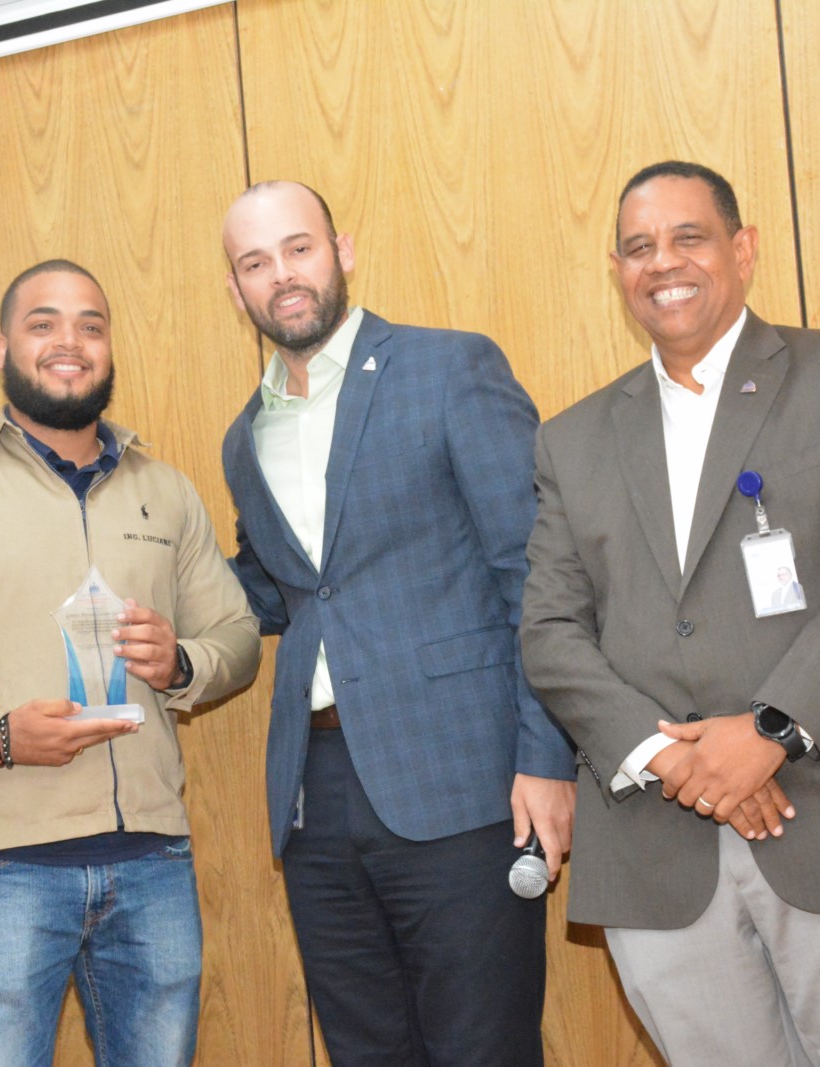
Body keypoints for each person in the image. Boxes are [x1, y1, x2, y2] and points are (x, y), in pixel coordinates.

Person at [520, 161, 820, 1066]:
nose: (663, 262)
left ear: (743, 249)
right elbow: (549, 631)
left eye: (688, 237)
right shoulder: (571, 439)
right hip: (658, 842)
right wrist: (672, 758)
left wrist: (770, 729)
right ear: (617, 270)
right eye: (637, 247)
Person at [0, 259, 260, 1066]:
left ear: (108, 350)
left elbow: (236, 636)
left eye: (90, 325)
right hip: (0, 866)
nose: (69, 341)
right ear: (1, 348)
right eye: (43, 323)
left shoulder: (165, 489)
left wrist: (182, 663)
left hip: (152, 858)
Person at [218, 181, 576, 1066]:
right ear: (236, 292)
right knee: (366, 1050)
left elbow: (532, 570)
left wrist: (545, 757)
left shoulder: (450, 367)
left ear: (341, 250)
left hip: (463, 778)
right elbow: (277, 591)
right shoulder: (245, 436)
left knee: (482, 1048)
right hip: (315, 796)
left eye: (298, 249)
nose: (282, 276)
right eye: (255, 263)